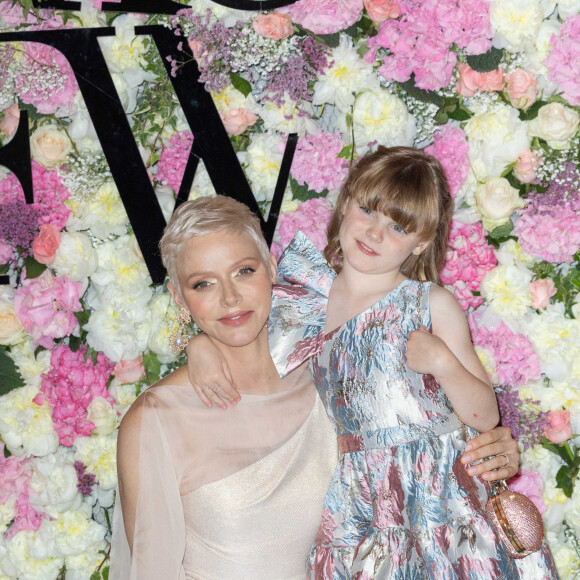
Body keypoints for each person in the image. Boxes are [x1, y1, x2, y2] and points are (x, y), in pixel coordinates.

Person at [186, 148, 558, 579]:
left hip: (442, 490)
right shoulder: (304, 299)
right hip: (362, 495)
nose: (375, 233)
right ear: (345, 202)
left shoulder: (430, 304)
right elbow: (246, 348)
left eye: (398, 226)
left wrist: (444, 362)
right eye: (367, 210)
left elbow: (484, 414)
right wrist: (201, 348)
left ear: (421, 241)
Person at [110, 196, 338, 579]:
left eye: (244, 271)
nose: (230, 297)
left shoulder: (330, 376)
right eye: (203, 283)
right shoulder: (156, 420)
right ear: (179, 297)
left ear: (271, 267)